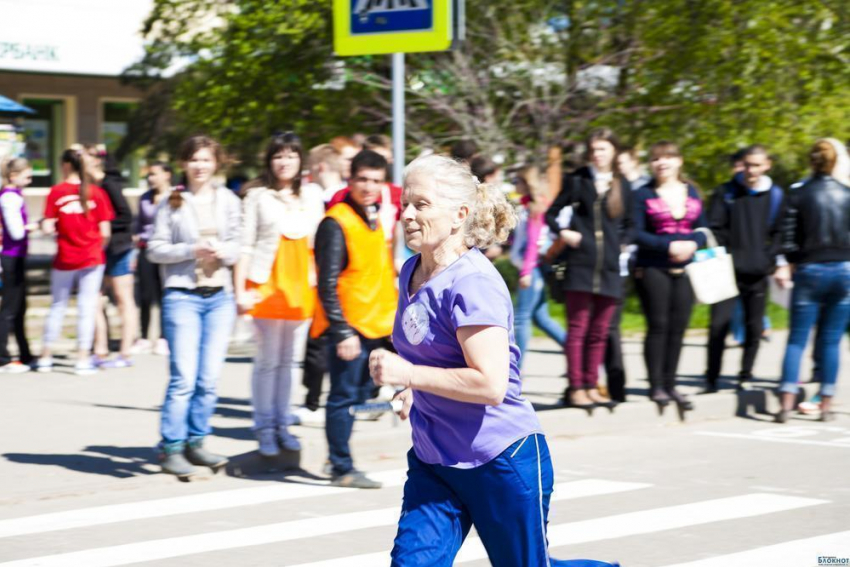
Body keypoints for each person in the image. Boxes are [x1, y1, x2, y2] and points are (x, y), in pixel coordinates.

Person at [369, 154, 618, 567]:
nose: (408, 215)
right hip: (435, 461)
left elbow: (490, 384)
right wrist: (412, 389)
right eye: (406, 204)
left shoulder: (474, 283)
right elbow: (434, 353)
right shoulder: (411, 270)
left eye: (421, 205)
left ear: (459, 215)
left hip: (500, 460)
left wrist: (410, 373)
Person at [147, 136, 241, 477]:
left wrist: (223, 252)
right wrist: (190, 249)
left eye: (206, 159)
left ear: (217, 163)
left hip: (219, 297)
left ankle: (197, 441)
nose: (200, 166)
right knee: (183, 378)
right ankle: (171, 447)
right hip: (182, 296)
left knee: (208, 379)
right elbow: (154, 249)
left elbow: (237, 244)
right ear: (184, 163)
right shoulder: (171, 201)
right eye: (194, 159)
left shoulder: (228, 199)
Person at [312, 149, 398, 488]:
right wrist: (342, 330)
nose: (369, 186)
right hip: (351, 327)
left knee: (362, 392)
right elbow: (327, 283)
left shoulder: (373, 215)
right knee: (343, 396)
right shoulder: (336, 222)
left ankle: (337, 456)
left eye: (376, 180)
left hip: (377, 323)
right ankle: (340, 467)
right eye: (363, 178)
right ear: (351, 179)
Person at [235, 134, 325, 456]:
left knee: (289, 361)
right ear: (269, 161)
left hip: (303, 283)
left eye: (291, 155)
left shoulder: (313, 195)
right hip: (266, 282)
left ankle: (283, 424)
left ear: (301, 160)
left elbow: (321, 241)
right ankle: (264, 426)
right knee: (267, 360)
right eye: (278, 156)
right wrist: (240, 290)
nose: (284, 162)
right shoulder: (257, 196)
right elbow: (244, 246)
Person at [546, 128, 633, 408]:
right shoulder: (578, 179)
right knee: (578, 328)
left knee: (600, 331)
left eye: (603, 149)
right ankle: (576, 387)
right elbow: (551, 213)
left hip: (609, 267)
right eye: (594, 149)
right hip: (580, 264)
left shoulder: (623, 185)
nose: (598, 154)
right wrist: (564, 232)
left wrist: (622, 244)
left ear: (614, 152)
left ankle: (592, 384)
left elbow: (632, 225)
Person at [775, 138, 850, 423]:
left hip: (810, 268)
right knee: (832, 341)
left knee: (797, 340)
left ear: (811, 161)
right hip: (844, 268)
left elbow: (788, 238)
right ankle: (827, 405)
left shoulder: (798, 194)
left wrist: (792, 262)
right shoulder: (847, 193)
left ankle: (785, 404)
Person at [633, 141, 708, 409]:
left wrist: (694, 243)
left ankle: (671, 384)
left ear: (679, 161)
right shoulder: (642, 194)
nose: (662, 163)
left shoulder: (693, 192)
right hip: (653, 266)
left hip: (687, 268)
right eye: (656, 158)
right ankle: (656, 387)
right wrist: (668, 245)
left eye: (667, 157)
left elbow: (703, 228)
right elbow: (636, 233)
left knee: (679, 328)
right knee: (659, 325)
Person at [705, 145, 785, 393]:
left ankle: (745, 374)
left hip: (757, 272)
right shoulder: (726, 192)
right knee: (718, 326)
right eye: (747, 164)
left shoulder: (776, 196)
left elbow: (781, 232)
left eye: (757, 165)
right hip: (726, 272)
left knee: (753, 327)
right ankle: (711, 378)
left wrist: (769, 260)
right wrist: (723, 256)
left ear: (767, 165)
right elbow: (714, 229)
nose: (751, 170)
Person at [36, 148, 115, 375]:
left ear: (65, 165)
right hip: (92, 257)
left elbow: (48, 226)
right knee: (87, 308)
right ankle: (82, 359)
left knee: (57, 306)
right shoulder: (97, 193)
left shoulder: (55, 192)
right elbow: (106, 231)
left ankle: (45, 356)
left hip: (65, 257)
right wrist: (95, 247)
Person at [87, 146, 138, 368]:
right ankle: (101, 350)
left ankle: (126, 352)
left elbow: (126, 216)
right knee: (95, 299)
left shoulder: (110, 183)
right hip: (100, 249)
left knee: (123, 299)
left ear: (96, 161)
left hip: (118, 248)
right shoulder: (92, 186)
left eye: (84, 157)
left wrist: (100, 225)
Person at [510, 165, 566, 365]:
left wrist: (526, 272)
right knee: (541, 318)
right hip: (530, 268)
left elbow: (534, 243)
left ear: (528, 184)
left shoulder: (536, 208)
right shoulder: (525, 207)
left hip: (531, 269)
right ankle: (577, 353)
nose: (515, 184)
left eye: (518, 181)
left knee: (521, 318)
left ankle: (515, 369)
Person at [0, 158, 37, 372]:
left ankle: (25, 354)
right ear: (13, 176)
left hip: (16, 256)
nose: (29, 180)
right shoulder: (10, 198)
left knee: (20, 307)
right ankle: (3, 358)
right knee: (10, 309)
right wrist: (35, 226)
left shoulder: (13, 196)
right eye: (27, 176)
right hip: (12, 257)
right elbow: (16, 232)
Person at [133, 161, 172, 356]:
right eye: (149, 175)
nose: (151, 178)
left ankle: (164, 338)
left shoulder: (175, 196)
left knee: (165, 295)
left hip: (167, 250)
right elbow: (139, 226)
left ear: (167, 175)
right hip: (146, 250)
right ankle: (144, 336)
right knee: (146, 295)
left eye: (155, 174)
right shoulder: (144, 198)